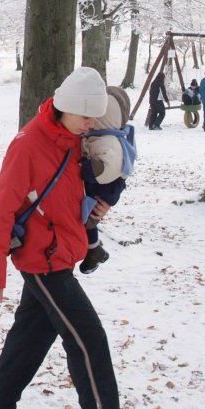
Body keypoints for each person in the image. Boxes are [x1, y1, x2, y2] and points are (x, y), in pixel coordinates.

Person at [0, 67, 143, 409]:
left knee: (34, 332)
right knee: (88, 339)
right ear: (66, 107)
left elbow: (73, 192)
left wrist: (95, 210)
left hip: (60, 254)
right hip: (41, 260)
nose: (92, 124)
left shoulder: (74, 140)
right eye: (86, 116)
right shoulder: (29, 145)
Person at [79, 86, 136, 275]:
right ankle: (93, 250)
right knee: (88, 217)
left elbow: (106, 168)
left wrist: (83, 169)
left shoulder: (109, 140)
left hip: (103, 186)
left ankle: (93, 250)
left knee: (89, 216)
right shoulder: (98, 136)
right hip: (99, 186)